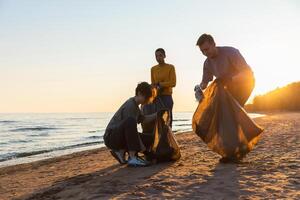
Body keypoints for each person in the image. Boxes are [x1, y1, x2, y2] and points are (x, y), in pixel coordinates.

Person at [104, 82, 157, 167]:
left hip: (120, 136)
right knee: (131, 121)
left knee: (150, 139)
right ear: (139, 93)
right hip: (111, 137)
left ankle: (121, 153)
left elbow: (143, 120)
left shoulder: (136, 106)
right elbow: (130, 133)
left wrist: (157, 115)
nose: (148, 100)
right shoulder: (130, 105)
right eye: (146, 97)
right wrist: (144, 151)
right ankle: (132, 157)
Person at [196, 33, 255, 107]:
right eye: (202, 51)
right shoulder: (207, 64)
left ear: (214, 44)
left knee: (233, 107)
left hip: (246, 84)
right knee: (218, 107)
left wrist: (229, 79)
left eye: (207, 49)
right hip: (229, 87)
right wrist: (198, 88)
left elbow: (247, 73)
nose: (205, 53)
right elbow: (204, 83)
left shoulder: (231, 52)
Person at [151, 48, 176, 127]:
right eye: (156, 56)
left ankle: (169, 137)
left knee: (168, 119)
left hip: (167, 97)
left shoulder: (170, 67)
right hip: (156, 97)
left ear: (164, 56)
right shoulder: (153, 69)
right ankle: (159, 138)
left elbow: (173, 83)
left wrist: (160, 84)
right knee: (158, 119)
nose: (158, 58)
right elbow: (153, 84)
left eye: (160, 55)